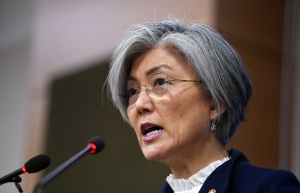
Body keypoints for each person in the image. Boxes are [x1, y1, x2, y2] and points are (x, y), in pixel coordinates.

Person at [106, 18, 300, 192]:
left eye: (160, 82)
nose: (140, 104)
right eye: (133, 91)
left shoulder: (270, 188)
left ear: (216, 103)